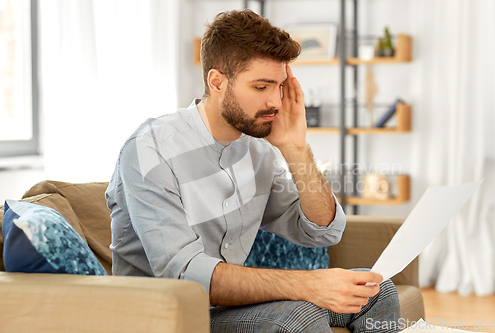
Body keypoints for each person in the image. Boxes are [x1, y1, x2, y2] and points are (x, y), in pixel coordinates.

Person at [106, 9, 401, 333]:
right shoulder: (151, 150)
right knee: (299, 319)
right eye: (262, 87)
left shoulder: (257, 148)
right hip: (167, 314)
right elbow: (186, 276)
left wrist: (296, 149)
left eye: (280, 86)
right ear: (217, 82)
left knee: (375, 290)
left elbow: (321, 231)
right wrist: (308, 285)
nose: (276, 101)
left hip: (228, 307)